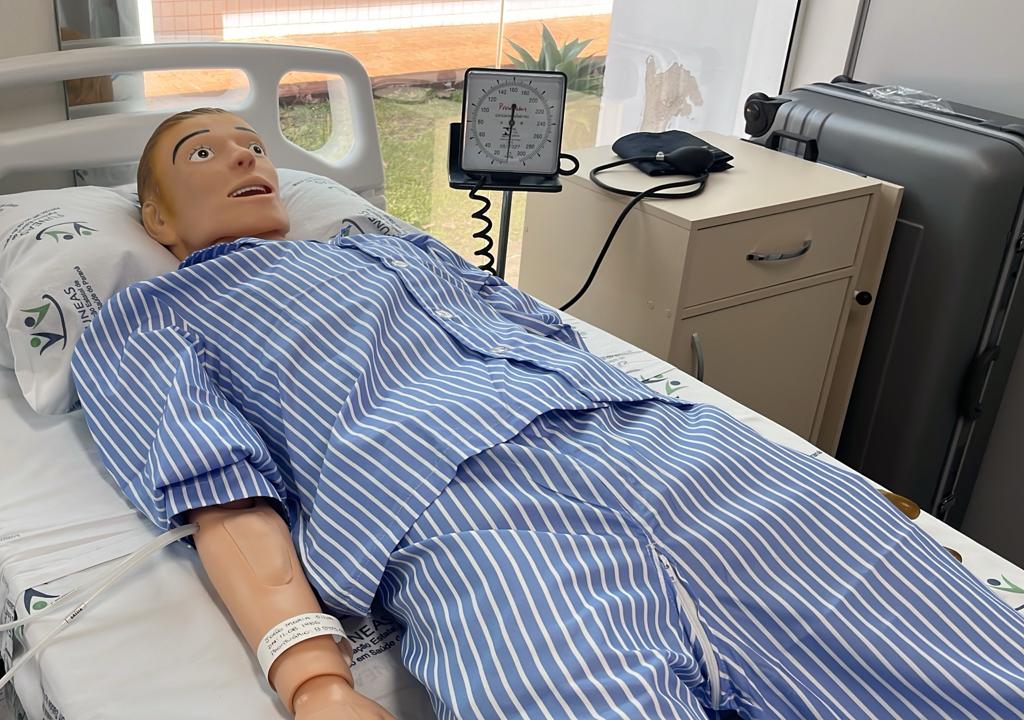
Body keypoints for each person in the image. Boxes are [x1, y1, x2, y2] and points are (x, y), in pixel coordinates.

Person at [72, 107, 1024, 719]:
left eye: (253, 144)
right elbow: (220, 493)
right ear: (157, 221)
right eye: (204, 152)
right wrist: (314, 680)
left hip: (680, 453)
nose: (245, 155)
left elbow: (556, 341)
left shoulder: (404, 250)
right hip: (475, 526)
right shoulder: (148, 314)